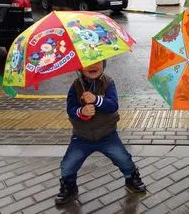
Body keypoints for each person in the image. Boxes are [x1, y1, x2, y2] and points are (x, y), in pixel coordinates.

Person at [55, 60, 146, 205]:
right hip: (82, 137)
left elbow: (113, 105)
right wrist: (81, 111)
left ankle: (131, 177)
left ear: (103, 64)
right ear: (79, 67)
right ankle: (69, 185)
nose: (93, 65)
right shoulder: (76, 86)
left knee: (123, 159)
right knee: (68, 164)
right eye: (87, 63)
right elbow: (71, 110)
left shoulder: (108, 83)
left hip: (107, 135)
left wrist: (96, 100)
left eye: (97, 61)